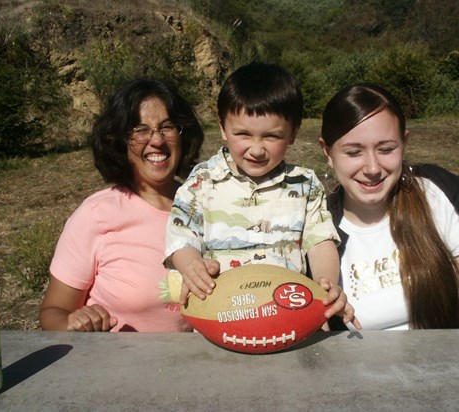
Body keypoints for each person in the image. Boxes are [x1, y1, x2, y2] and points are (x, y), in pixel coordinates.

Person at [319, 83, 459, 330]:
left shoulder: (436, 196)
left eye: (386, 149)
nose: (373, 168)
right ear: (328, 152)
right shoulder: (318, 228)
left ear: (404, 143)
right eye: (354, 152)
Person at [164, 62, 359, 328]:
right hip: (222, 319)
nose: (256, 149)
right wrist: (191, 266)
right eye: (243, 134)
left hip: (289, 319)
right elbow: (181, 237)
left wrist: (325, 285)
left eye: (271, 136)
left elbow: (320, 240)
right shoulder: (202, 182)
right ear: (223, 128)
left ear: (292, 134)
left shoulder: (304, 185)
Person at [39, 77, 204, 332]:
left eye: (167, 127)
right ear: (120, 140)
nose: (157, 140)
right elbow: (53, 313)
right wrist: (74, 321)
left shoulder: (205, 205)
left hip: (199, 366)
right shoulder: (97, 214)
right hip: (117, 369)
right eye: (140, 129)